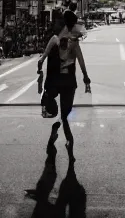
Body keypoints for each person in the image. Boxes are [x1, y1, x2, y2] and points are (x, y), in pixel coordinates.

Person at [38, 10, 91, 153]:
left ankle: (57, 129)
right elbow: (81, 60)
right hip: (68, 81)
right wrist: (86, 77)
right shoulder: (74, 42)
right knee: (65, 114)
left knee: (52, 107)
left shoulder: (54, 39)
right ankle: (68, 139)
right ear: (73, 24)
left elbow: (42, 58)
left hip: (55, 81)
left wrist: (40, 71)